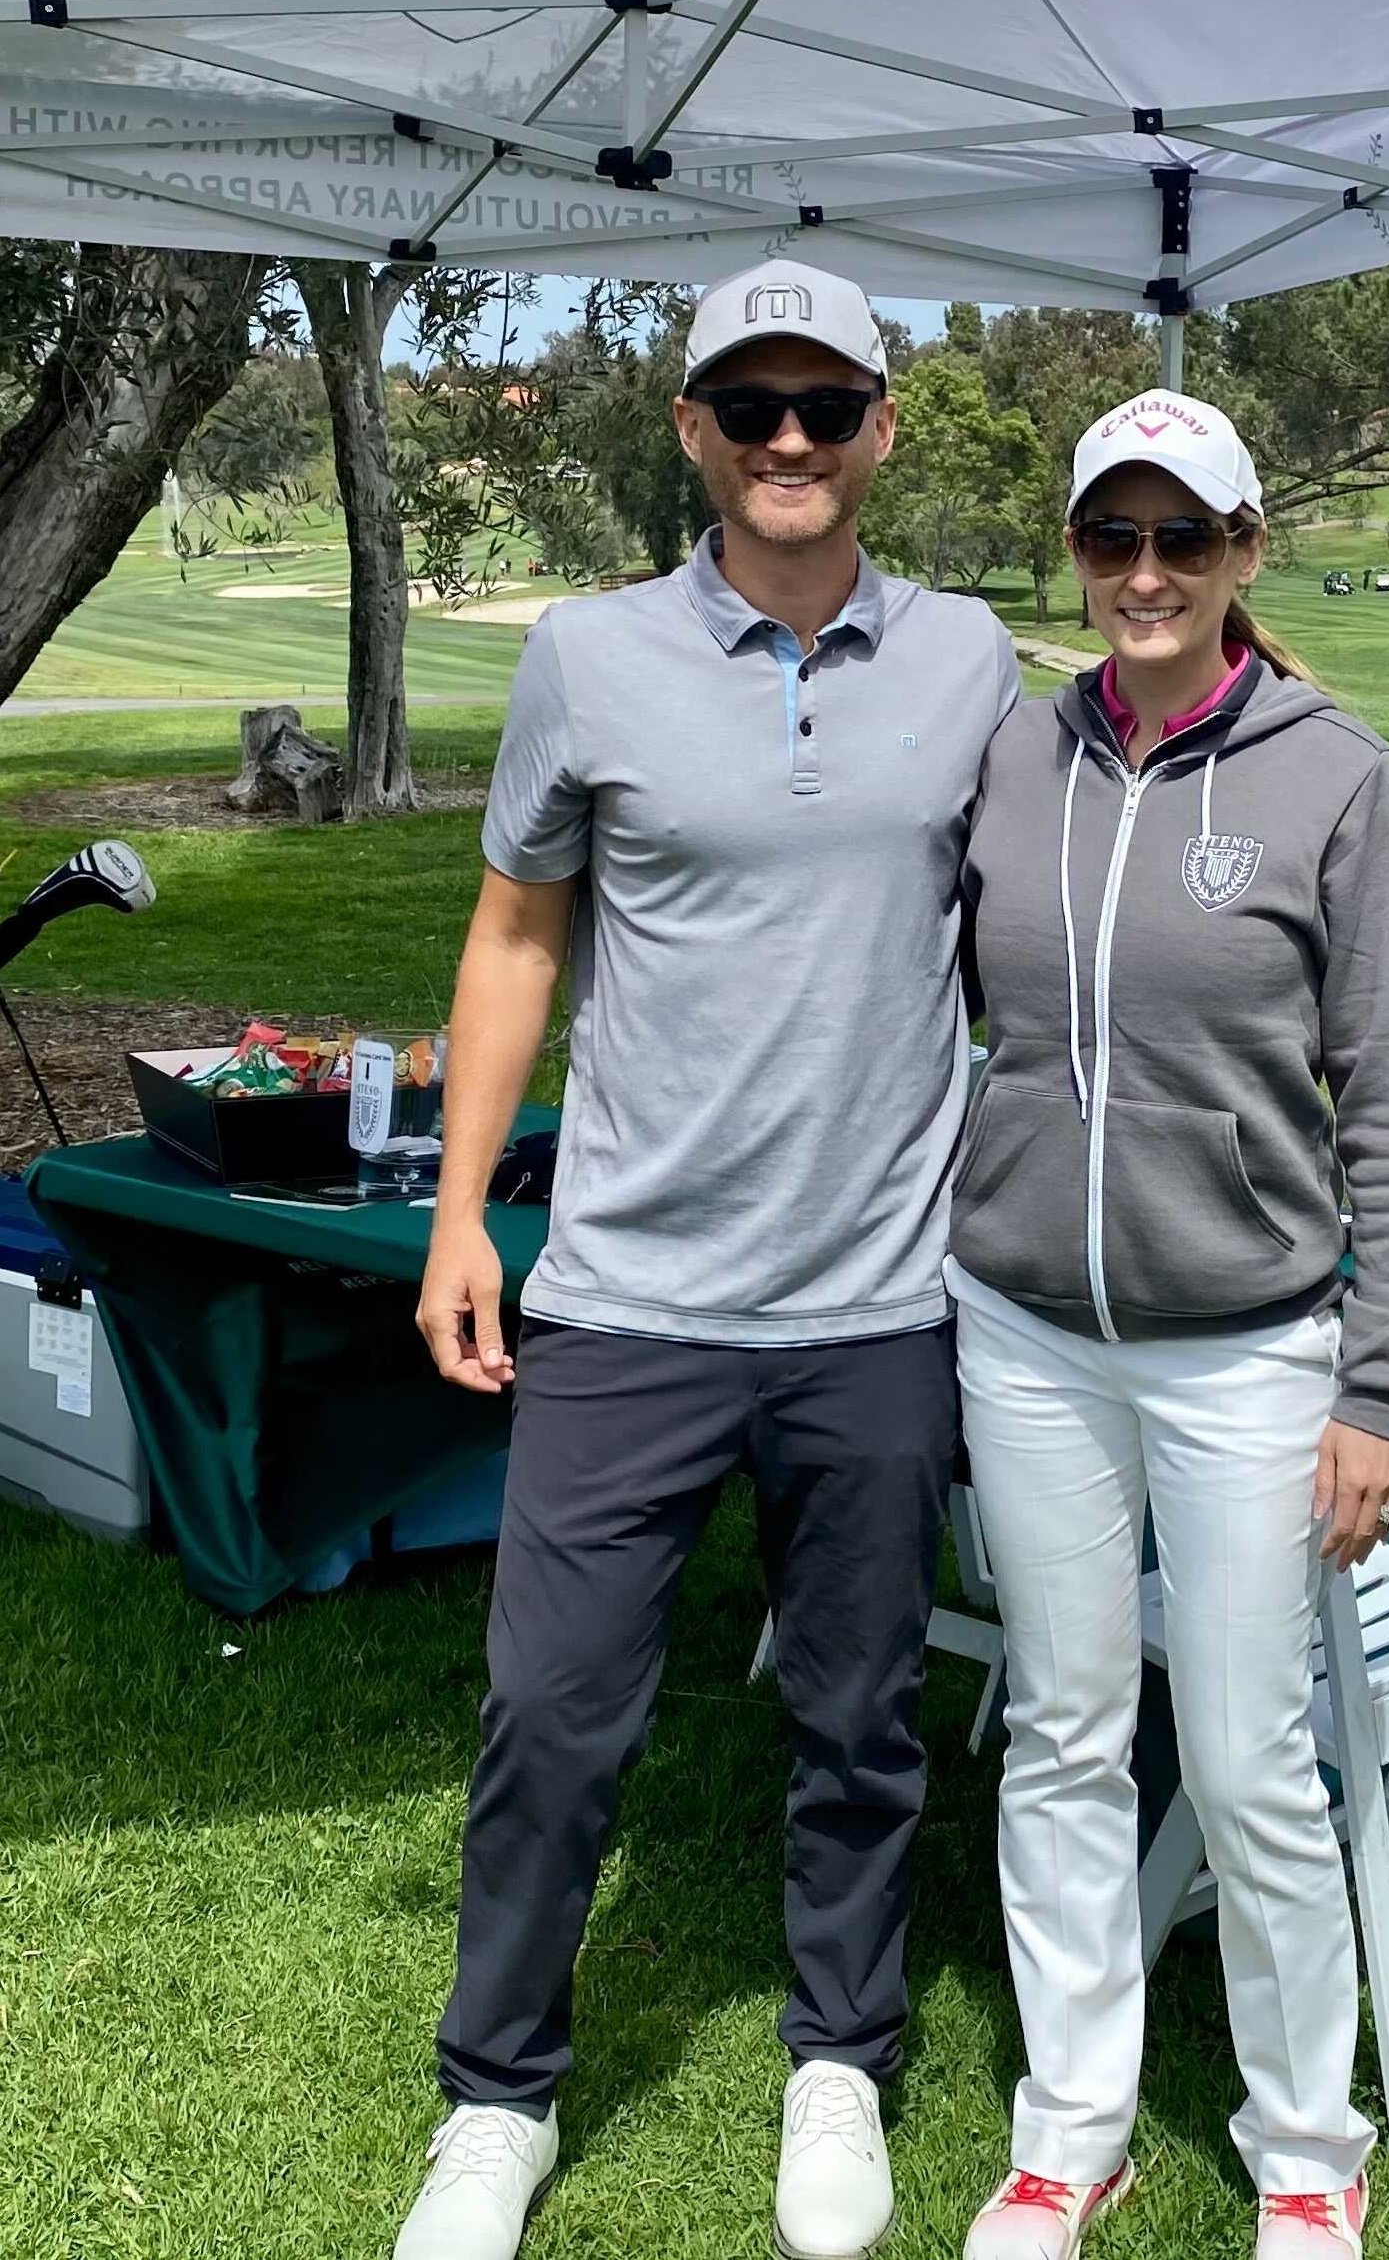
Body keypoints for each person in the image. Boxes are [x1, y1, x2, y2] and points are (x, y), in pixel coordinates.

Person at [393, 258, 1020, 2260]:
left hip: (877, 1307)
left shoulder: (970, 659)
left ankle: (842, 2056)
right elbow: (517, 940)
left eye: (823, 405)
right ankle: (496, 2100)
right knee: (553, 1717)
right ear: (689, 431)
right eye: (746, 406)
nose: (785, 442)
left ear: (878, 432)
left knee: (856, 1717)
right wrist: (460, 1218)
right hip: (628, 1300)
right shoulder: (586, 657)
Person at [946, 387, 1389, 2260]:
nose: (1143, 575)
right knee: (1067, 1731)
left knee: (1248, 1759)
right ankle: (1071, 2129)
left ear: (1245, 551)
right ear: (1076, 551)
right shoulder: (1013, 757)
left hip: (1248, 1346)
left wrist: (1381, 1379)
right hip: (1025, 1331)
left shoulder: (1335, 773)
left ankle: (1307, 2140)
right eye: (1109, 537)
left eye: (1183, 538)